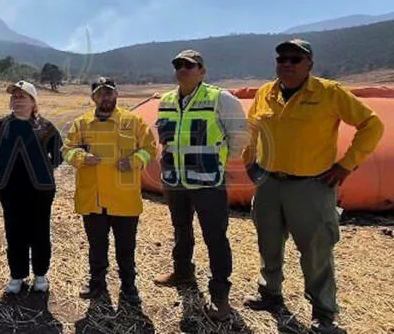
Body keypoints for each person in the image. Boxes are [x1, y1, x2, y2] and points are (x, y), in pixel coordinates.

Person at [242, 39, 384, 333]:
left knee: (316, 251)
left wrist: (347, 164)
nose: (287, 64)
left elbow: (372, 124)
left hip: (310, 187)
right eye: (282, 59)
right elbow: (250, 130)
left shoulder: (328, 93)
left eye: (295, 59)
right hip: (269, 184)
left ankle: (323, 313)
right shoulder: (265, 93)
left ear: (310, 64)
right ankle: (270, 294)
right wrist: (249, 164)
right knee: (268, 244)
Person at [152, 50, 248, 320]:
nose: (182, 69)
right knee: (181, 229)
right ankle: (182, 272)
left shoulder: (221, 99)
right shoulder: (167, 100)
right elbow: (165, 137)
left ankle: (220, 295)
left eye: (189, 65)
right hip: (175, 181)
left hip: (208, 183)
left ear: (202, 70)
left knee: (215, 237)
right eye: (178, 65)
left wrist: (221, 162)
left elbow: (239, 135)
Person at [62, 77, 157, 305]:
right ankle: (97, 283)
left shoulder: (133, 121)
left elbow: (149, 148)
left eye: (109, 92)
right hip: (94, 198)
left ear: (116, 94)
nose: (105, 97)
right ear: (93, 97)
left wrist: (133, 161)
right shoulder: (81, 123)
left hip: (124, 199)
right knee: (96, 245)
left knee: (126, 247)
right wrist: (82, 157)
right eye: (100, 93)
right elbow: (67, 150)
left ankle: (128, 285)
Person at [0, 80, 63, 294]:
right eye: (14, 96)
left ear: (33, 101)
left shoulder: (46, 127)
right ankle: (17, 275)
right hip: (10, 189)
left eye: (22, 96)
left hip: (40, 190)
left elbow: (58, 154)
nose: (17, 100)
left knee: (40, 230)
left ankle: (41, 274)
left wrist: (42, 170)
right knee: (14, 231)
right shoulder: (1, 125)